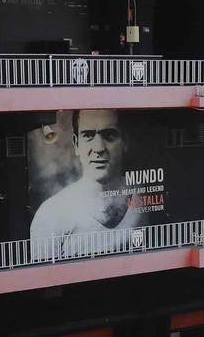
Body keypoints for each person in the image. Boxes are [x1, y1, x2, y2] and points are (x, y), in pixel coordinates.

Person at [30, 109, 148, 257]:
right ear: (76, 144)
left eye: (109, 135)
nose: (99, 149)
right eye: (88, 136)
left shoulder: (145, 198)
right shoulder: (50, 214)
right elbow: (44, 277)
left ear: (125, 142)